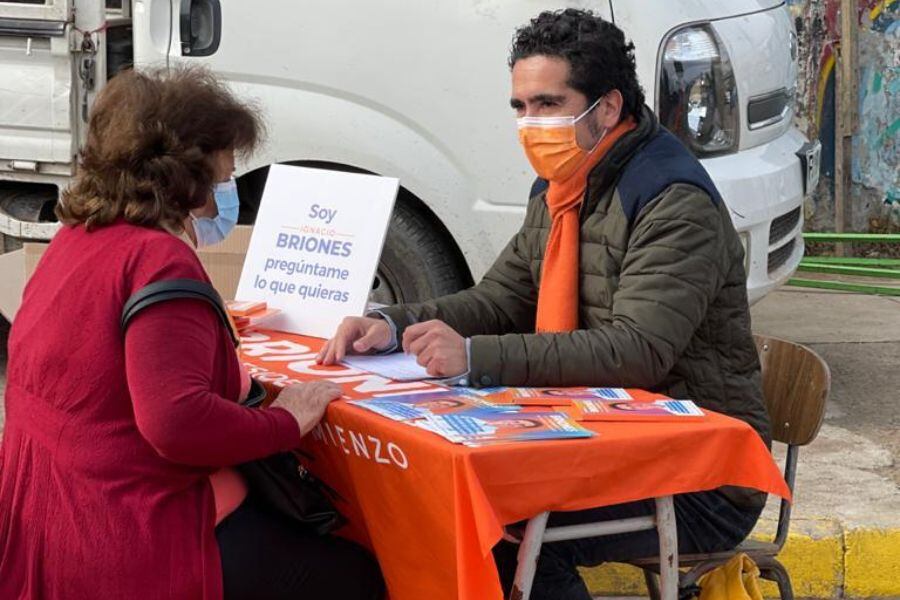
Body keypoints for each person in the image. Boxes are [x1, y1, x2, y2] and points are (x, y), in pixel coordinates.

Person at [319, 9, 770, 600]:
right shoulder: (561, 188)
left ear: (607, 109)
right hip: (596, 439)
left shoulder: (672, 201)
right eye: (520, 107)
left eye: (548, 105)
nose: (531, 124)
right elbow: (502, 296)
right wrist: (392, 324)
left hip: (698, 475)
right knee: (420, 504)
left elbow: (635, 351)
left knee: (497, 532)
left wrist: (475, 356)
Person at [0, 67, 383, 600]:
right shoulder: (158, 260)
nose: (229, 183)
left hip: (48, 514)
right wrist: (284, 421)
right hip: (125, 532)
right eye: (225, 170)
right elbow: (176, 423)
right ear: (190, 172)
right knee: (354, 574)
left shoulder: (77, 236)